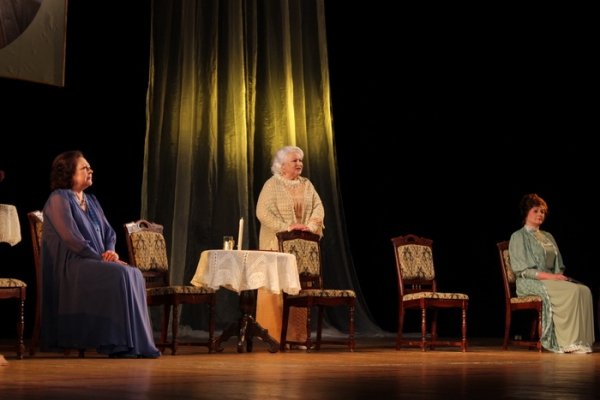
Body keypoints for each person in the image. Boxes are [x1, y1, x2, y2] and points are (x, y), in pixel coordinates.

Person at [40, 150, 160, 358]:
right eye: (84, 168)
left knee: (134, 273)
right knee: (120, 274)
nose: (90, 170)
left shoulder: (92, 200)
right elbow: (72, 239)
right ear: (69, 173)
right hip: (72, 265)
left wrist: (110, 252)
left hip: (94, 260)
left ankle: (135, 344)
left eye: (89, 167)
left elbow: (109, 233)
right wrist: (101, 258)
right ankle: (118, 343)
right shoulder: (58, 198)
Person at [255, 145, 324, 345]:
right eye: (295, 161)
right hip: (275, 245)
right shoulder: (272, 184)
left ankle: (296, 336)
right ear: (282, 165)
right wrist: (287, 227)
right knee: (275, 288)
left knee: (297, 288)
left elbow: (318, 208)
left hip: (301, 248)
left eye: (300, 160)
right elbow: (262, 212)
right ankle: (272, 335)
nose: (299, 164)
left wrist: (310, 227)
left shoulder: (307, 184)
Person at [508, 193, 595, 354]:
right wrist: (552, 277)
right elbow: (523, 270)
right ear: (526, 212)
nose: (540, 214)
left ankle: (582, 341)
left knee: (584, 290)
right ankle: (566, 342)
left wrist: (558, 276)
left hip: (550, 279)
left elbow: (558, 264)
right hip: (529, 281)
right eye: (536, 211)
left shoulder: (548, 236)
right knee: (571, 292)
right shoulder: (518, 236)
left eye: (542, 211)